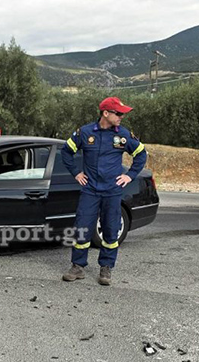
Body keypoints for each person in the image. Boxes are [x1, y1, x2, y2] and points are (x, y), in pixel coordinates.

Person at [60, 96, 147, 286]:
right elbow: (66, 151)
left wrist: (129, 175)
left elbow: (141, 154)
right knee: (82, 226)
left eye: (122, 114)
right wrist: (76, 173)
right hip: (90, 190)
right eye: (118, 113)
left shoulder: (123, 135)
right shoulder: (84, 132)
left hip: (112, 191)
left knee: (110, 228)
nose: (121, 117)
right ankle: (77, 266)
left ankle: (106, 268)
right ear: (105, 113)